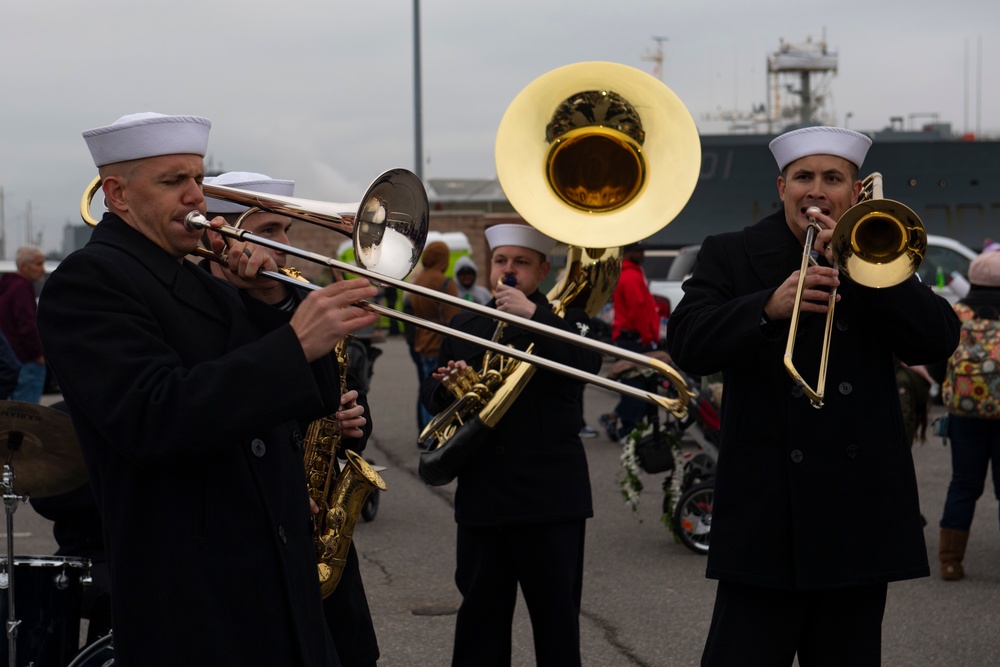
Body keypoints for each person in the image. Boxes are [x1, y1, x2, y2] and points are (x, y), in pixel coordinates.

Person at [37, 112, 378, 666]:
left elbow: (307, 401)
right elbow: (154, 415)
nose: (196, 195)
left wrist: (272, 304)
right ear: (117, 194)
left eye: (197, 178)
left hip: (271, 576)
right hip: (197, 592)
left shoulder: (204, 279)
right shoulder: (89, 281)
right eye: (174, 181)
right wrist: (290, 343)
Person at [666, 126, 961, 665]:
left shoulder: (878, 250)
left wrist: (875, 271)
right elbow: (686, 341)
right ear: (782, 187)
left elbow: (940, 338)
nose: (817, 190)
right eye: (804, 177)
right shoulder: (731, 253)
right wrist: (765, 307)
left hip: (857, 513)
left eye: (833, 178)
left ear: (855, 192)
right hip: (765, 511)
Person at [204, 172, 381, 665]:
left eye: (287, 230)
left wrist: (352, 425)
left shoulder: (299, 300)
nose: (284, 246)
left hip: (320, 526)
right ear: (223, 235)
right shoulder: (201, 311)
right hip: (254, 540)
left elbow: (343, 397)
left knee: (349, 651)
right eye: (269, 230)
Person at [420, 223, 601, 667]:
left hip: (551, 498)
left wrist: (534, 319)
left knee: (557, 625)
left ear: (542, 270)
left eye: (521, 262)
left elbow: (587, 365)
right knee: (481, 622)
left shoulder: (569, 322)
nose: (509, 270)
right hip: (486, 494)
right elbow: (433, 393)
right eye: (501, 261)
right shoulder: (467, 321)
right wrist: (448, 388)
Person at [937, 248, 1000, 582]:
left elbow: (936, 362)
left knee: (962, 484)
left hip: (964, 415)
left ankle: (950, 561)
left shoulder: (956, 312)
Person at [599, 241, 660, 443]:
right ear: (630, 253)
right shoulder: (631, 276)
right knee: (637, 390)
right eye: (639, 250)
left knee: (635, 387)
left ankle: (616, 419)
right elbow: (639, 310)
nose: (643, 253)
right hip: (634, 338)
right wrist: (649, 337)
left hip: (631, 337)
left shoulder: (630, 273)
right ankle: (628, 430)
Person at [409, 241, 460, 432]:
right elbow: (453, 319)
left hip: (421, 341)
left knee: (424, 389)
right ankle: (433, 432)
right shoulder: (445, 282)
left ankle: (424, 430)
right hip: (439, 343)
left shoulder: (418, 281)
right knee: (437, 391)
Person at [0, 245, 47, 402]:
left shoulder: (7, 285)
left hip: (11, 358)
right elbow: (27, 325)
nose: (43, 269)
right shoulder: (22, 288)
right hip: (27, 360)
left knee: (15, 415)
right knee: (29, 416)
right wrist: (38, 353)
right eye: (38, 264)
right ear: (25, 267)